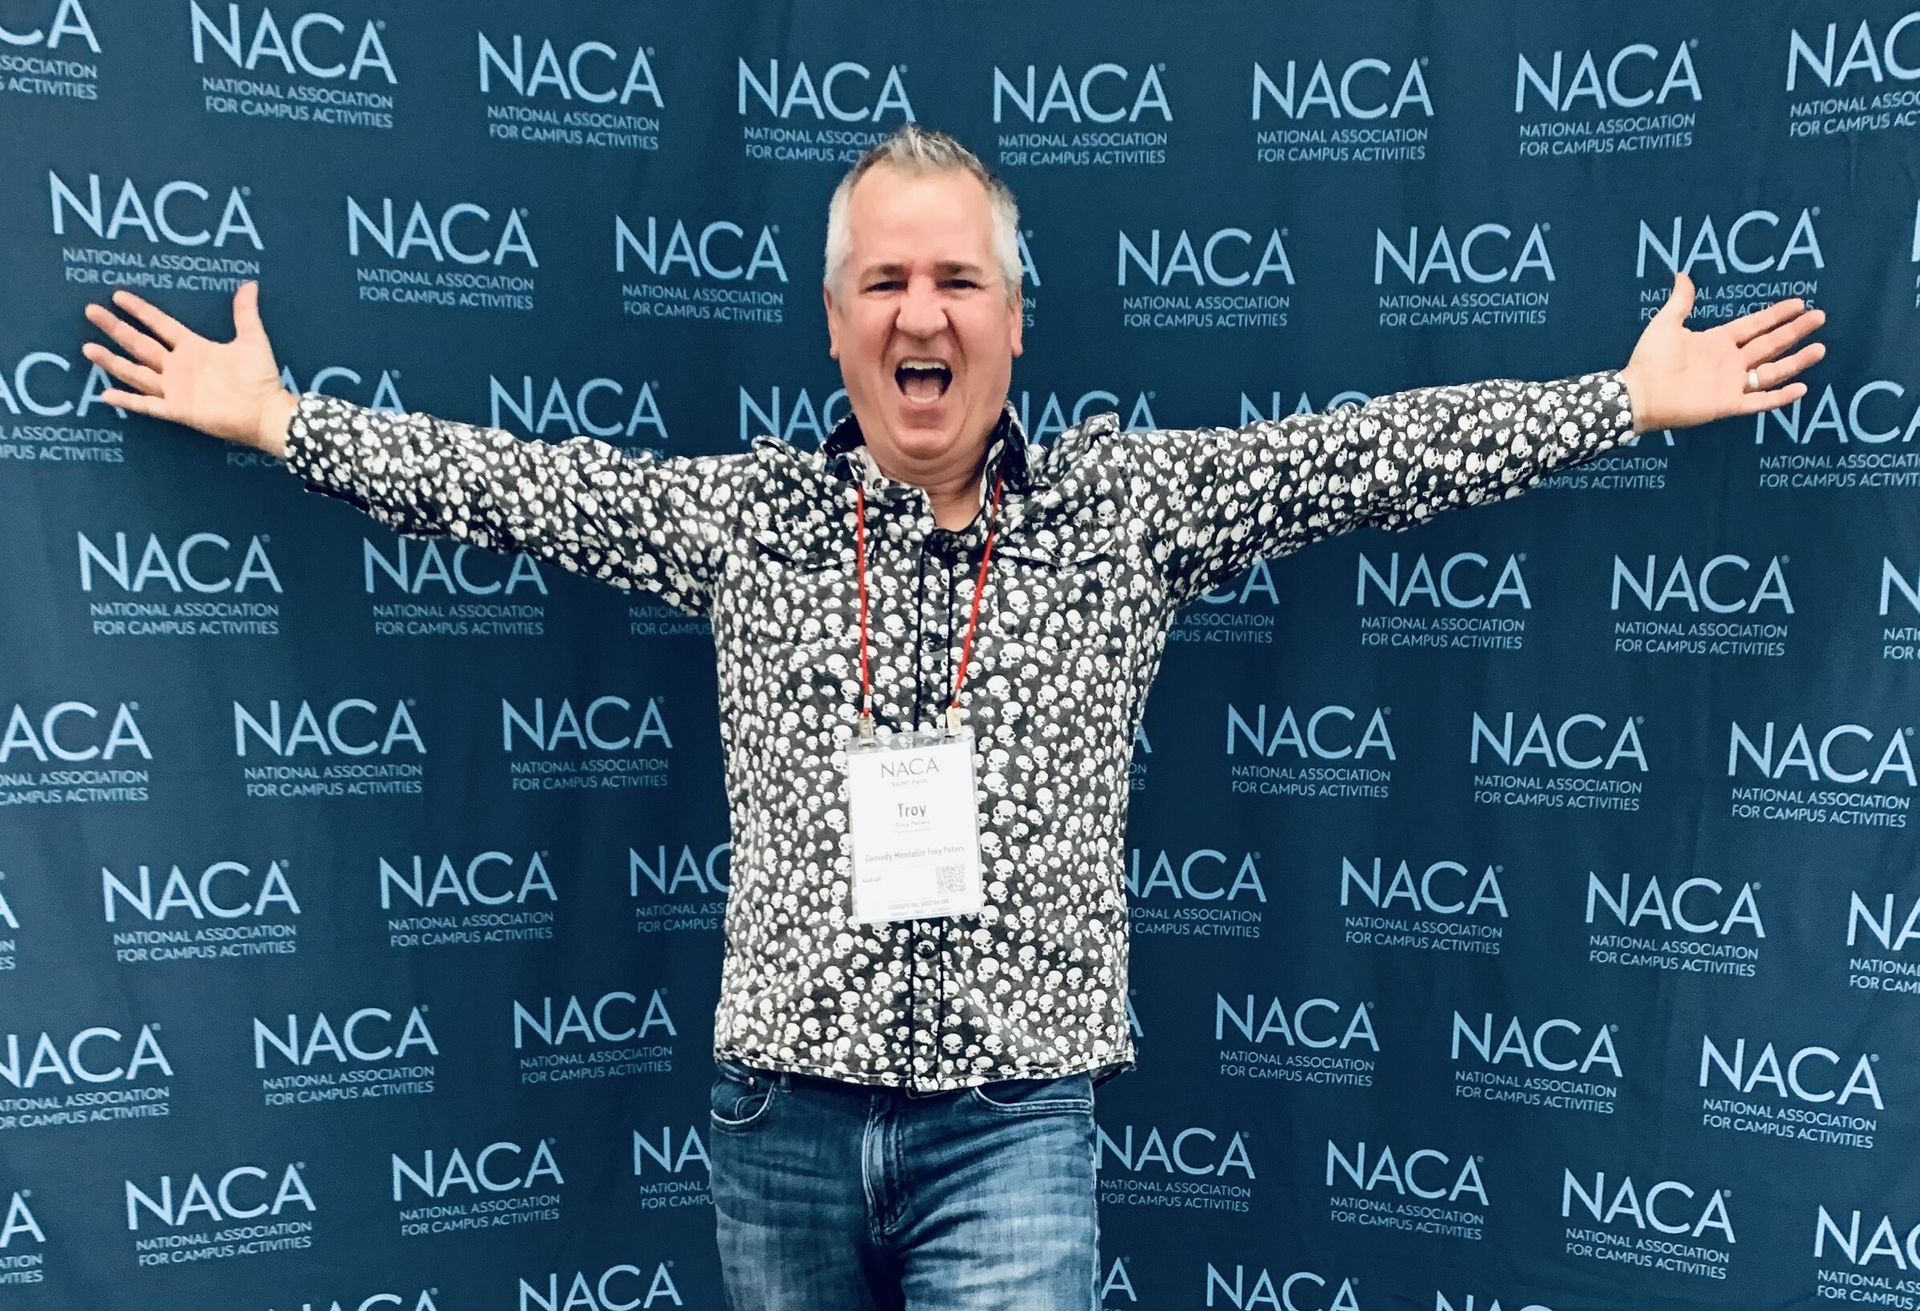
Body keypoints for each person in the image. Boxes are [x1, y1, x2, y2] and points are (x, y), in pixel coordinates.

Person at [80, 125, 1824, 1311]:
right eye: (886, 285)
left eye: (958, 284)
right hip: (778, 1120)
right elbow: (513, 488)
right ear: (836, 325)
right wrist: (282, 423)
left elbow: (1363, 456)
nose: (924, 313)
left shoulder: (1131, 512)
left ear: (1012, 323)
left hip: (1015, 1123)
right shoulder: (745, 523)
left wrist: (1619, 401)